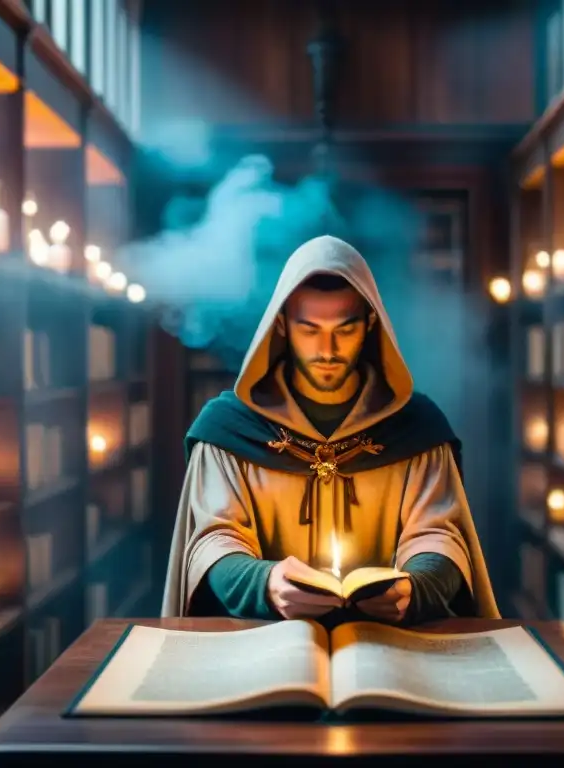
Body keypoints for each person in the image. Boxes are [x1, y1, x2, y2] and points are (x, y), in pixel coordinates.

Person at [162, 235, 499, 625]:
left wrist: (415, 588)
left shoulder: (416, 429)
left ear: (370, 324)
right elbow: (213, 539)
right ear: (283, 325)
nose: (327, 348)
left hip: (388, 645)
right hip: (264, 644)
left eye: (345, 329)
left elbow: (437, 534)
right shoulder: (230, 431)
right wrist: (265, 584)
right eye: (310, 329)